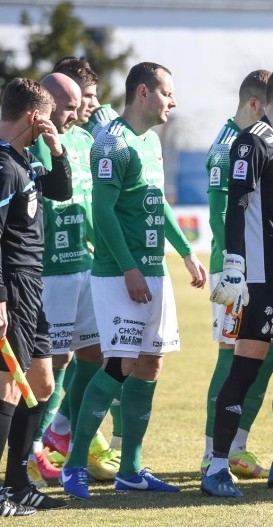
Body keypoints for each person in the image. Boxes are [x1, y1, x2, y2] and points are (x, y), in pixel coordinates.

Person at [61, 62, 207, 500]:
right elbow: (102, 213)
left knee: (150, 364)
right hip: (117, 273)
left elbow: (156, 203)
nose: (173, 103)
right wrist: (128, 268)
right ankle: (73, 464)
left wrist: (184, 252)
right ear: (143, 93)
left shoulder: (151, 142)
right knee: (120, 364)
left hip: (153, 271)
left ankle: (131, 469)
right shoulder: (112, 145)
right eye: (167, 93)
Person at [201, 66, 273, 498]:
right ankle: (215, 466)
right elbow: (237, 206)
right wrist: (234, 265)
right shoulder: (250, 142)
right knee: (246, 366)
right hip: (260, 278)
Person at [44, 56, 123, 472]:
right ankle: (32, 456)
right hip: (48, 271)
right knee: (51, 367)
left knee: (96, 354)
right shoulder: (33, 139)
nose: (85, 108)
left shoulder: (84, 141)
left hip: (86, 265)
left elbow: (90, 205)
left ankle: (63, 431)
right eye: (79, 99)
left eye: (88, 99)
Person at [0, 77, 73, 514]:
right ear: (34, 116)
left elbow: (61, 192)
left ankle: (17, 486)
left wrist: (57, 147)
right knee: (10, 388)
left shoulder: (26, 159)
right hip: (13, 287)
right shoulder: (5, 166)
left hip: (34, 287)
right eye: (50, 118)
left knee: (41, 385)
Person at [200, 69, 273, 481]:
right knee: (230, 359)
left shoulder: (252, 142)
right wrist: (234, 267)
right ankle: (214, 450)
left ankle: (235, 445)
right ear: (254, 104)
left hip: (257, 267)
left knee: (259, 357)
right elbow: (220, 216)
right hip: (234, 270)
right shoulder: (230, 146)